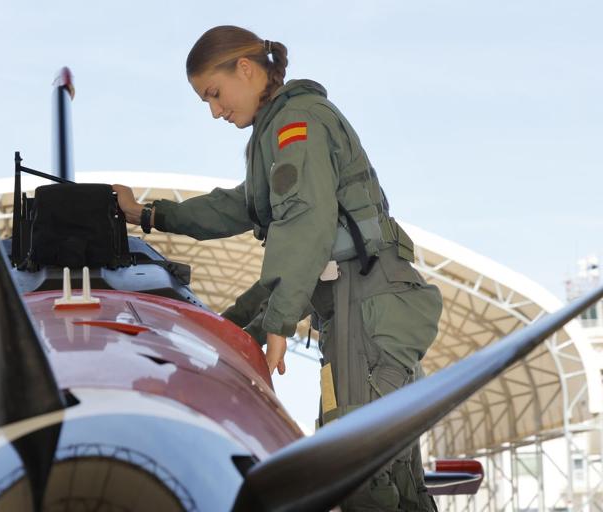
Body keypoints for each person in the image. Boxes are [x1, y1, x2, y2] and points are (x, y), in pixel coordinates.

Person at [112, 25, 443, 512]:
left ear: (245, 69)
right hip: (363, 306)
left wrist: (278, 324)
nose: (215, 111)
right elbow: (236, 207)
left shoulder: (297, 123)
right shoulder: (275, 134)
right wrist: (147, 214)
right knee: (390, 478)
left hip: (365, 305)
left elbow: (304, 222)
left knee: (357, 475)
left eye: (214, 93)